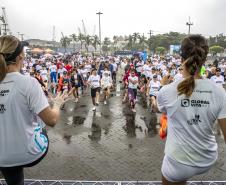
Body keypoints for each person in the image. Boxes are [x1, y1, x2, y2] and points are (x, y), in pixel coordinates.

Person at [156, 34, 226, 185]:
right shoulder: (220, 92)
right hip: (207, 158)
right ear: (204, 58)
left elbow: (159, 108)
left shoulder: (167, 90)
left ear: (181, 59)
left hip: (178, 163)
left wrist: (162, 85)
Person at [0, 35, 60, 185]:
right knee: (41, 125)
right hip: (27, 153)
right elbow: (52, 120)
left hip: (2, 156)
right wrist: (58, 104)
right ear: (21, 56)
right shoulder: (28, 83)